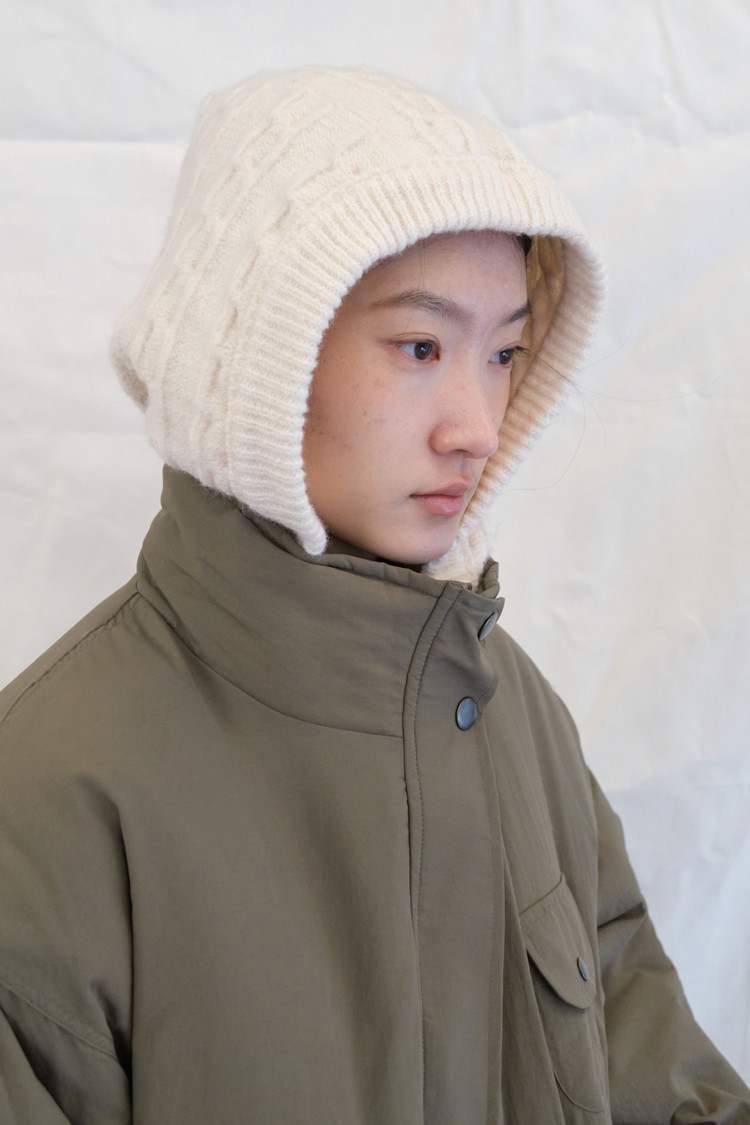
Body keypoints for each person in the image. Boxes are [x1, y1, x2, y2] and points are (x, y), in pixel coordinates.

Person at [0, 65, 747, 1125]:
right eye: (419, 346)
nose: (476, 426)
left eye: (504, 353)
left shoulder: (515, 717)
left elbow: (652, 1072)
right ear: (252, 355)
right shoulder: (48, 789)